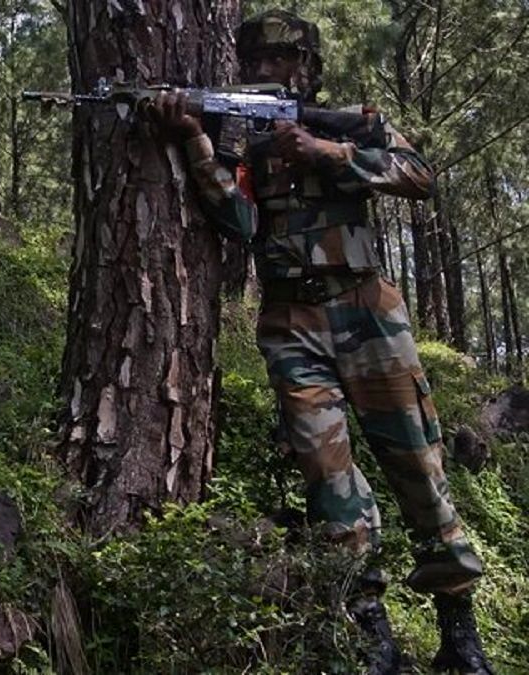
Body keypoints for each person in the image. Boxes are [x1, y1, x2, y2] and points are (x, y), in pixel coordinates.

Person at [150, 10, 492, 674]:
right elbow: (238, 220)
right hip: (291, 322)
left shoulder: (347, 123)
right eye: (256, 60)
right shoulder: (241, 134)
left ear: (309, 66)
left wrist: (326, 153)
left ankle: (459, 630)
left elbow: (419, 176)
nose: (267, 71)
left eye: (281, 59)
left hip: (368, 310)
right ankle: (371, 632)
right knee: (330, 482)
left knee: (419, 469)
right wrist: (195, 137)